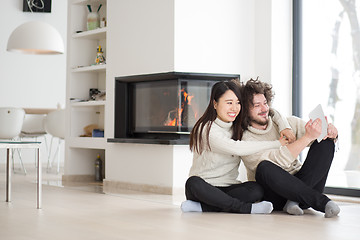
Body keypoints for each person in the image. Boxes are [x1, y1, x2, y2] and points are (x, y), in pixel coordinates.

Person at [181, 79, 292, 214]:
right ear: (215, 104)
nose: (234, 108)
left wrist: (284, 126)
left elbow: (270, 112)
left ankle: (205, 207)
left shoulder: (238, 127)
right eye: (229, 103)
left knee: (256, 189)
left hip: (229, 187)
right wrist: (276, 144)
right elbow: (236, 148)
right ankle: (245, 208)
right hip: (204, 188)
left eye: (238, 103)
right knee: (193, 183)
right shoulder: (206, 129)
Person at [240, 78, 340, 218]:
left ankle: (294, 200)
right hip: (277, 196)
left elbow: (317, 137)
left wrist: (331, 133)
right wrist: (306, 138)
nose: (264, 109)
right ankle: (321, 202)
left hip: (306, 186)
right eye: (257, 105)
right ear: (245, 109)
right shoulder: (245, 140)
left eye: (265, 103)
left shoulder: (288, 123)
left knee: (326, 142)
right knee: (264, 168)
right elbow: (277, 161)